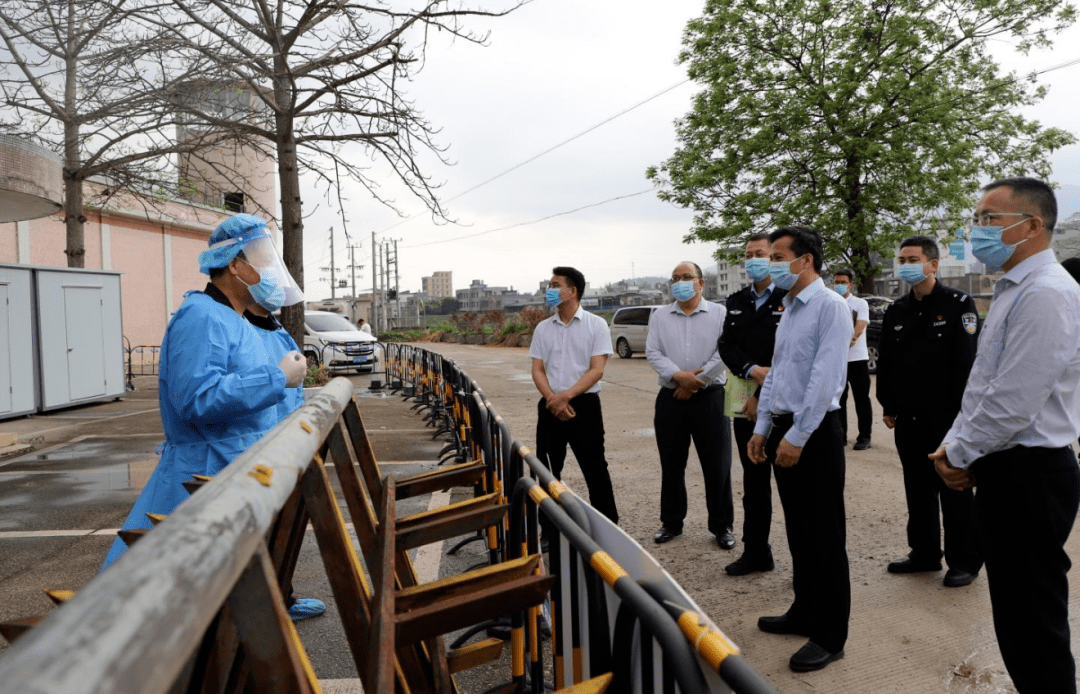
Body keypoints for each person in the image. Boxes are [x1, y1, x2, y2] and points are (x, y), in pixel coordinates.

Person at [932, 177, 1080, 694]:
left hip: (1031, 473)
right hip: (1007, 466)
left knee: (1034, 622)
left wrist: (959, 452)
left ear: (1033, 225)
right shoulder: (1015, 287)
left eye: (989, 219)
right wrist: (956, 444)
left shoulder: (1047, 293)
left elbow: (1015, 399)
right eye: (977, 219)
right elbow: (983, 385)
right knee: (1017, 618)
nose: (977, 230)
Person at [101, 214, 307, 570]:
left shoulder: (234, 320)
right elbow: (197, 399)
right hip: (202, 476)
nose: (269, 269)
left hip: (231, 472)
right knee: (170, 591)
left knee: (226, 582)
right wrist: (275, 378)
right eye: (259, 258)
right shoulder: (201, 316)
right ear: (234, 265)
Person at [747, 225, 852, 673]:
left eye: (777, 256)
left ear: (805, 259)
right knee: (799, 530)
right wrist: (764, 426)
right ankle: (804, 611)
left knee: (825, 534)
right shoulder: (788, 307)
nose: (771, 264)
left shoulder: (830, 307)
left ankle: (830, 635)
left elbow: (824, 379)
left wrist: (797, 436)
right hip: (786, 428)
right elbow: (780, 374)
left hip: (815, 432)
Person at [876, 236, 982, 588]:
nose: (904, 263)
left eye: (913, 258)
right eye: (901, 258)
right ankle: (923, 553)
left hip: (948, 417)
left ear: (933, 264)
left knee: (954, 487)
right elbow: (888, 363)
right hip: (910, 418)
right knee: (917, 488)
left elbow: (966, 365)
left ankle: (964, 560)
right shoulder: (897, 310)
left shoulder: (957, 303)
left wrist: (964, 420)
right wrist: (888, 404)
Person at [245, 304, 326, 621]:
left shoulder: (271, 325)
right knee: (265, 527)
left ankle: (283, 596)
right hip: (263, 439)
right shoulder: (241, 326)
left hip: (284, 433)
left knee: (281, 525)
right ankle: (271, 603)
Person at [646, 261, 734, 550]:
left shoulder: (719, 313)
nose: (680, 282)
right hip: (670, 399)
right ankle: (671, 522)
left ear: (701, 283)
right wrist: (678, 377)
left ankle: (722, 526)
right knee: (671, 465)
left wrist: (697, 381)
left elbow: (725, 352)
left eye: (687, 277)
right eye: (675, 278)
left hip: (711, 398)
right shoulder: (660, 316)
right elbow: (653, 352)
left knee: (717, 466)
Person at [718, 233, 787, 574]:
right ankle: (756, 552)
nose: (753, 259)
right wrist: (750, 369)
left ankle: (807, 565)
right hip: (744, 401)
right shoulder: (737, 300)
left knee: (793, 486)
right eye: (749, 254)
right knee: (753, 483)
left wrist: (764, 390)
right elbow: (727, 345)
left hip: (783, 405)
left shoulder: (791, 299)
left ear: (775, 257)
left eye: (760, 253)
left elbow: (790, 356)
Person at [530, 266, 619, 523]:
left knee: (595, 469)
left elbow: (597, 370)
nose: (550, 291)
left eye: (555, 285)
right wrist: (553, 399)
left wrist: (565, 397)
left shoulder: (596, 325)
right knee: (547, 471)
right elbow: (537, 370)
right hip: (550, 406)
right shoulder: (543, 328)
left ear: (572, 291)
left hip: (585, 406)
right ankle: (548, 529)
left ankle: (608, 529)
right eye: (550, 285)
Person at [832, 269, 872, 450]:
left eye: (843, 282)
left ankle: (865, 437)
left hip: (857, 359)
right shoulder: (831, 303)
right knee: (839, 400)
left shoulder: (859, 303)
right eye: (836, 282)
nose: (839, 285)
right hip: (838, 361)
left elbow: (860, 327)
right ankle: (841, 436)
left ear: (850, 284)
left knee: (861, 399)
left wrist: (848, 341)